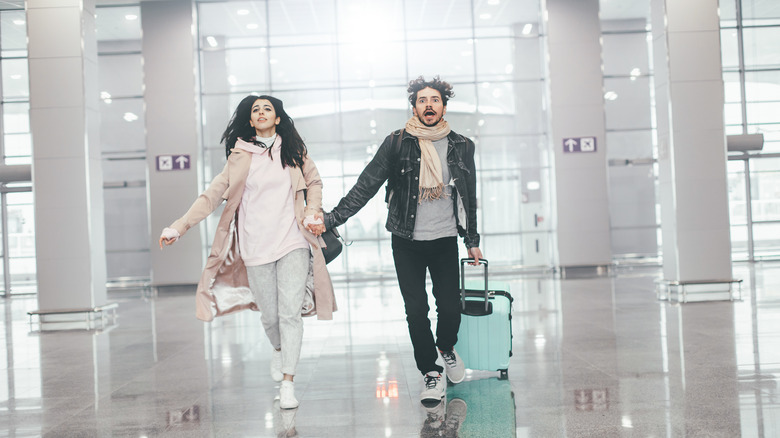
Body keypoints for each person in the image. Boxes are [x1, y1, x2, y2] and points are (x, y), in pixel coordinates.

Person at [158, 94, 337, 410]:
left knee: (289, 313)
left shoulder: (294, 151)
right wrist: (179, 226)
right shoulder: (239, 156)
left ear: (277, 118)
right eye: (256, 110)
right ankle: (279, 348)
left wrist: (313, 210)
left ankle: (288, 382)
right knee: (269, 315)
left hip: (293, 240)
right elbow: (211, 196)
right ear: (251, 121)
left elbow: (315, 182)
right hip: (255, 246)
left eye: (268, 108)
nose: (262, 112)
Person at [321, 76, 483, 404]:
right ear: (414, 107)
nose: (428, 105)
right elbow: (367, 184)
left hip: (444, 239)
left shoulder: (462, 145)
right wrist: (333, 218)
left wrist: (472, 239)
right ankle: (430, 372)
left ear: (443, 106)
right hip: (406, 240)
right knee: (416, 309)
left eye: (434, 100)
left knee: (450, 307)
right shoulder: (397, 143)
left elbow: (469, 194)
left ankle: (446, 347)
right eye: (422, 100)